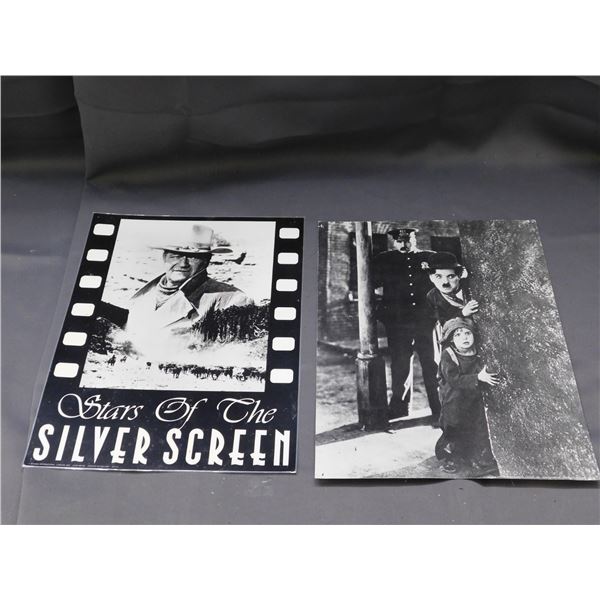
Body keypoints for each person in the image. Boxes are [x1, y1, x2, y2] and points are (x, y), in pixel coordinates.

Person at [102, 224, 254, 356]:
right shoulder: (143, 295)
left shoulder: (233, 300)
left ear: (207, 260)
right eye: (175, 255)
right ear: (165, 257)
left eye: (193, 257)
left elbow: (235, 354)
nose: (183, 263)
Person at [372, 227, 440, 421]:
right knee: (400, 364)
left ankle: (439, 408)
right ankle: (399, 408)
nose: (404, 244)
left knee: (432, 363)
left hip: (426, 321)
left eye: (408, 240)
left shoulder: (430, 257)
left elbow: (449, 275)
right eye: (399, 241)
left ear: (414, 239)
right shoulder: (385, 259)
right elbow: (372, 282)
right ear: (394, 242)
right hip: (398, 323)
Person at [434, 317, 500, 476]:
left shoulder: (477, 351)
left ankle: (480, 458)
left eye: (467, 333)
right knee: (454, 429)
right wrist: (478, 377)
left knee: (477, 427)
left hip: (472, 397)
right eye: (457, 335)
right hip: (454, 400)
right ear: (451, 339)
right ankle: (452, 458)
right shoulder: (448, 355)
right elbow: (453, 380)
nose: (464, 337)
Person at [424, 251, 479, 327]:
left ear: (459, 276)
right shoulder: (433, 296)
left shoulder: (470, 286)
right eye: (438, 276)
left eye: (450, 276)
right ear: (431, 278)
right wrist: (462, 313)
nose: (445, 282)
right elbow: (443, 322)